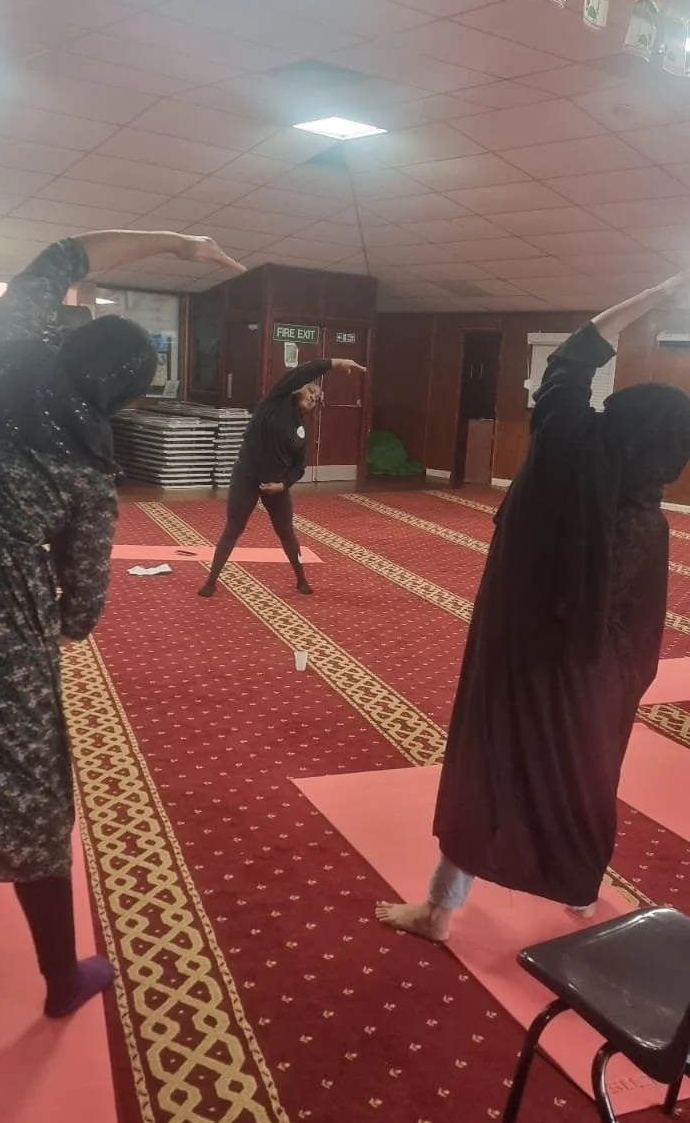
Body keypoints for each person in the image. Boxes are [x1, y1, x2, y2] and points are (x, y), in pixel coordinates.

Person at [0, 227, 244, 1017]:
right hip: (3, 657)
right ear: (118, 398)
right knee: (30, 810)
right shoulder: (85, 467)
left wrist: (187, 246)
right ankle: (62, 981)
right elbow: (84, 604)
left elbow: (62, 255)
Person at [378, 272, 690, 940]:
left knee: (485, 771)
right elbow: (636, 632)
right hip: (591, 680)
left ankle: (439, 910)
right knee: (583, 776)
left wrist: (650, 298)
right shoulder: (647, 518)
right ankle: (579, 894)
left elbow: (571, 361)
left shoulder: (565, 448)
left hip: (519, 656)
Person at [199, 357, 366, 598]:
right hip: (246, 475)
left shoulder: (300, 431)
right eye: (311, 391)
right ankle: (211, 581)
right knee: (233, 528)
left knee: (286, 531)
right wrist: (334, 363)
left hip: (276, 484)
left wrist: (283, 485)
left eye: (317, 399)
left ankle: (301, 579)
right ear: (300, 389)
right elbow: (300, 372)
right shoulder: (276, 399)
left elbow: (299, 467)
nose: (313, 397)